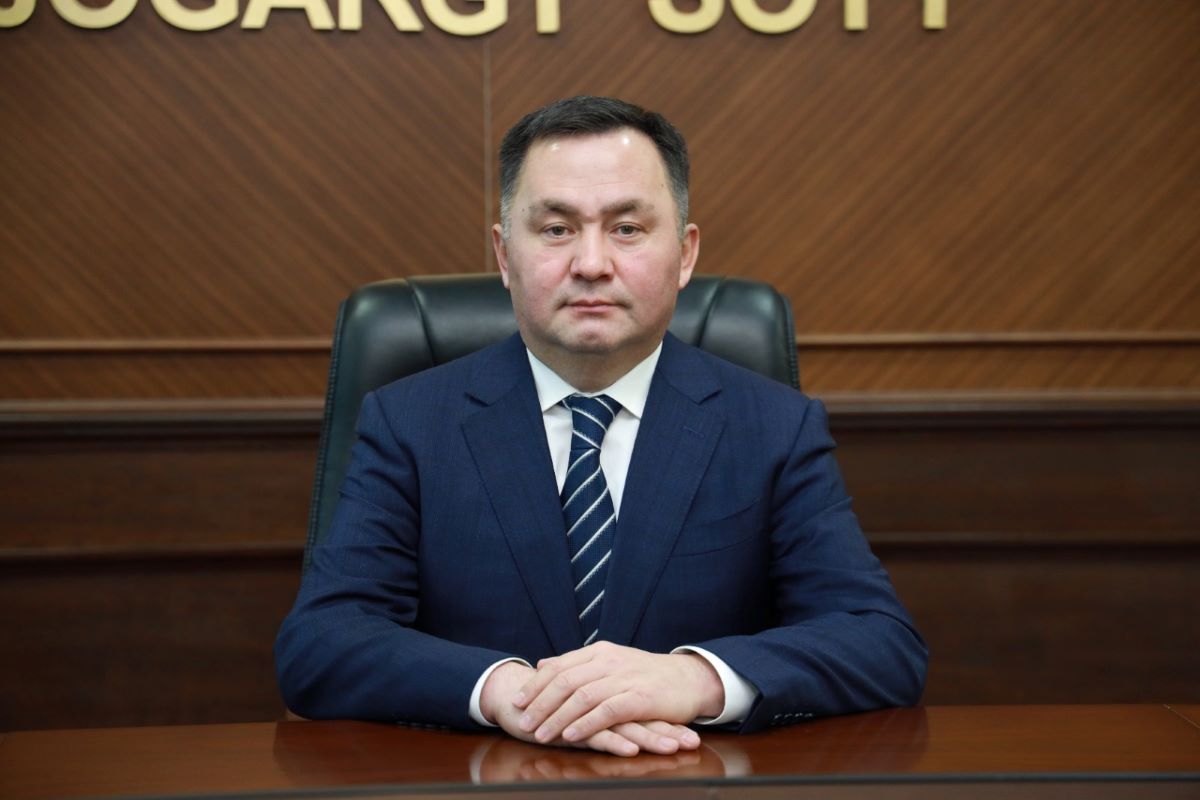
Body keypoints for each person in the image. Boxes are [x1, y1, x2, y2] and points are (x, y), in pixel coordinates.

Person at [275, 96, 927, 757]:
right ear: (504, 255)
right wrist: (504, 690)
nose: (591, 263)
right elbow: (321, 643)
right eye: (557, 229)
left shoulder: (774, 427)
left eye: (627, 228)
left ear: (684, 254)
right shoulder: (410, 423)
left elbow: (880, 642)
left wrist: (694, 678)